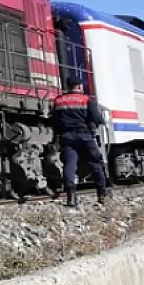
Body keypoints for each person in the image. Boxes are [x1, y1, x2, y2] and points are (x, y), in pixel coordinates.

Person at [53, 79, 110, 207]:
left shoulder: (58, 100)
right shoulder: (87, 100)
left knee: (70, 164)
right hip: (85, 136)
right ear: (79, 86)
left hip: (67, 136)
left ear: (68, 86)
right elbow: (96, 118)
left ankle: (71, 197)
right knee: (95, 162)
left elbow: (55, 121)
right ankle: (101, 195)